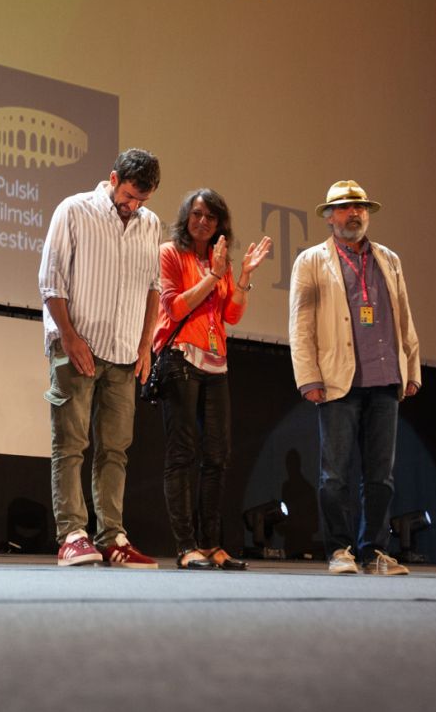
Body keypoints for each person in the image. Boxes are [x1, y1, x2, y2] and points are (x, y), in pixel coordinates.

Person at [288, 180, 422, 576]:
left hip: (385, 376)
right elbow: (300, 325)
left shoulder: (388, 259)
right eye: (346, 207)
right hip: (337, 379)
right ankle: (339, 549)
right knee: (335, 475)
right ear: (329, 217)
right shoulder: (311, 260)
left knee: (381, 476)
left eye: (360, 207)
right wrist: (308, 377)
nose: (355, 213)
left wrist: (411, 369)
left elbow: (404, 317)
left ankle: (374, 550)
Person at [39, 148, 163, 568]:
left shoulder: (150, 224)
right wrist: (69, 337)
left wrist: (145, 345)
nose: (133, 206)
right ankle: (72, 534)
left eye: (142, 200)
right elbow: (51, 282)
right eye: (128, 196)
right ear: (113, 179)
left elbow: (153, 287)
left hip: (125, 352)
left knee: (115, 450)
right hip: (77, 346)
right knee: (71, 443)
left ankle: (112, 537)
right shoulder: (74, 211)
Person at [151, 189, 271, 569]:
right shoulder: (170, 253)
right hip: (180, 359)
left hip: (216, 364)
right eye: (197, 214)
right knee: (182, 454)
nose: (203, 222)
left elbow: (231, 316)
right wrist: (213, 276)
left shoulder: (222, 262)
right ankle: (186, 546)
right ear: (186, 217)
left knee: (217, 457)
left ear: (220, 224)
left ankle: (211, 544)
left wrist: (243, 277)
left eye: (211, 217)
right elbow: (174, 307)